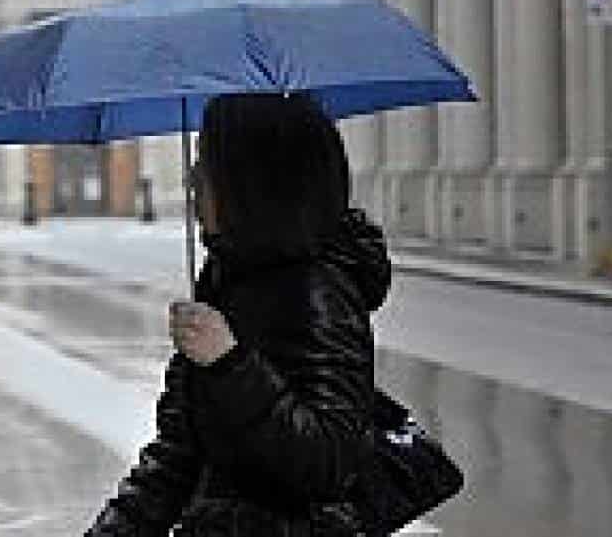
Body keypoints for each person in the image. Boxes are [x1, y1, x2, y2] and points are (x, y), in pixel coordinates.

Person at [85, 92, 390, 537]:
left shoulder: (315, 290)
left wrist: (230, 363)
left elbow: (328, 463)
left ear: (251, 179)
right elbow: (176, 458)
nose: (193, 181)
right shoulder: (229, 277)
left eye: (207, 164)